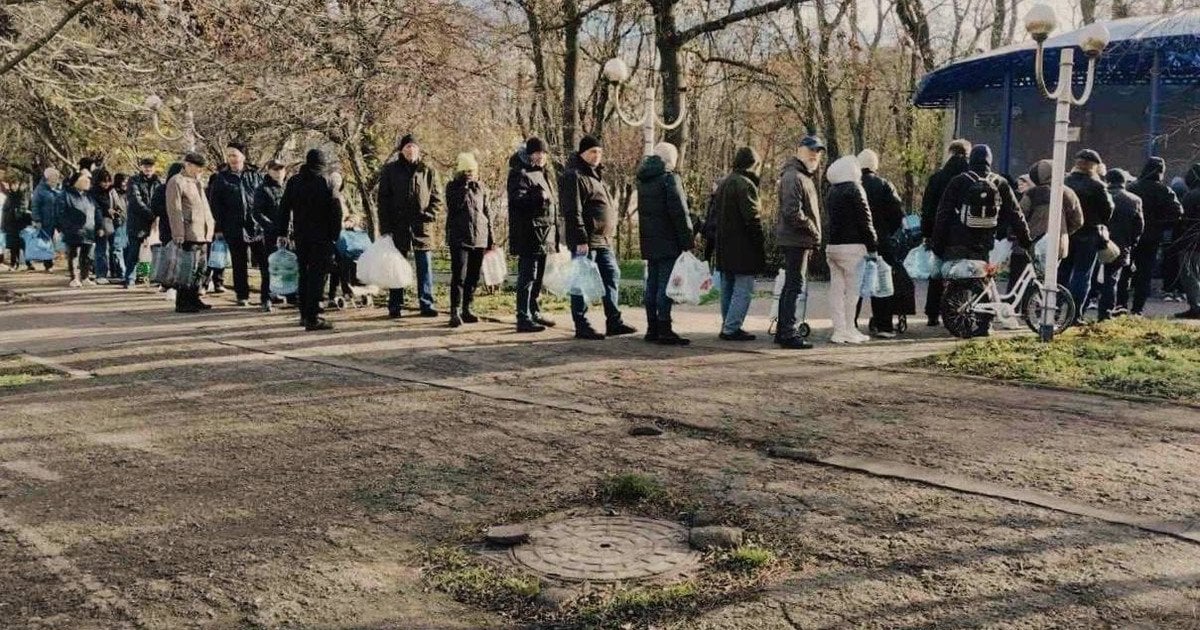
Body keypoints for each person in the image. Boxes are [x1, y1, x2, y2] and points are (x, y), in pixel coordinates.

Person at [930, 144, 1032, 337]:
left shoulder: (959, 181)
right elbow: (1015, 213)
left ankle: (954, 314)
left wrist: (937, 243)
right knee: (983, 279)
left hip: (958, 239)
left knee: (956, 277)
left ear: (971, 160)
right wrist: (1026, 240)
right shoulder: (1000, 182)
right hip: (985, 241)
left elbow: (943, 214)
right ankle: (984, 324)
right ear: (989, 161)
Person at [561, 135, 635, 340]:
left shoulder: (596, 175)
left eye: (600, 152)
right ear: (582, 153)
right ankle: (581, 323)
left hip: (603, 240)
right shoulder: (574, 176)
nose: (597, 155)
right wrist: (580, 238)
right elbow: (572, 210)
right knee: (582, 280)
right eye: (593, 151)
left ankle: (614, 321)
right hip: (586, 241)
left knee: (612, 274)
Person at [377, 134, 442, 318]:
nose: (411, 150)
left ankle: (426, 303)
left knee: (425, 265)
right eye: (407, 147)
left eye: (413, 146)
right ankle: (395, 304)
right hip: (398, 225)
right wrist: (386, 228)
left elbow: (437, 199)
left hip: (422, 226)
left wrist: (428, 215)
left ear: (418, 149)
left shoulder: (428, 170)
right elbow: (383, 201)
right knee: (397, 266)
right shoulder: (390, 170)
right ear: (401, 150)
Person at [279, 149, 343, 331]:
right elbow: (336, 210)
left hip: (301, 235)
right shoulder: (327, 181)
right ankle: (313, 317)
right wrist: (335, 235)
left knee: (303, 274)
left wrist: (282, 232)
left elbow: (284, 207)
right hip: (322, 236)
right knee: (317, 275)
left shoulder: (294, 181)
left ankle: (304, 314)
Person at [637, 142, 692, 346]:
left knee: (652, 284)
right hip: (668, 240)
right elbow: (680, 213)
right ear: (671, 160)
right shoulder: (669, 179)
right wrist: (687, 239)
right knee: (665, 285)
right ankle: (664, 328)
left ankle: (652, 327)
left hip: (650, 240)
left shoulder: (644, 179)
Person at [773, 135, 825, 349]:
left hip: (798, 238)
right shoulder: (794, 176)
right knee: (794, 286)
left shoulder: (801, 176)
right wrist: (812, 230)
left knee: (792, 285)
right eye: (811, 150)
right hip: (796, 239)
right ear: (800, 150)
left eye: (818, 151)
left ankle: (783, 330)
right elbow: (792, 212)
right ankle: (787, 332)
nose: (815, 155)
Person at [507, 137, 560, 334]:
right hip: (529, 234)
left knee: (538, 277)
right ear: (529, 154)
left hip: (545, 234)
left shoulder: (543, 173)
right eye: (537, 153)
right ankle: (523, 316)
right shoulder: (519, 173)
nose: (541, 156)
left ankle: (534, 310)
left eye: (544, 153)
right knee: (528, 276)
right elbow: (517, 200)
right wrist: (537, 197)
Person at [713, 147, 765, 342]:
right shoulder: (745, 184)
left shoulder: (725, 182)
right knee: (743, 287)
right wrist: (759, 244)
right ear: (753, 164)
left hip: (724, 243)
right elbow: (752, 219)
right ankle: (732, 327)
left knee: (728, 286)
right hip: (742, 245)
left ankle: (727, 324)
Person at [824, 155, 877, 344]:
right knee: (852, 292)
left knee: (836, 290)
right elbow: (865, 220)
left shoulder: (832, 191)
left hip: (833, 246)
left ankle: (839, 330)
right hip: (853, 247)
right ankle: (850, 328)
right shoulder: (856, 189)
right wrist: (873, 246)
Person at [858, 148, 909, 338]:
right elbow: (897, 213)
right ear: (875, 166)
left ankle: (850, 323)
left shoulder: (853, 185)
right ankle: (884, 325)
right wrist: (888, 231)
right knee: (882, 283)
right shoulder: (884, 185)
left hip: (857, 242)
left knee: (855, 285)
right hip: (881, 241)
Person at [1011, 159, 1083, 292]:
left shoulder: (1032, 193)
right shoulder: (1068, 193)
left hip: (1033, 243)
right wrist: (1063, 232)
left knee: (1022, 280)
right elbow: (1078, 221)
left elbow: (1020, 215)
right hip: (1058, 245)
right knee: (1050, 280)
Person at [920, 139, 971, 326]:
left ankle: (932, 313)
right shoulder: (972, 178)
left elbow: (927, 209)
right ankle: (958, 311)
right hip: (966, 234)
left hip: (940, 232)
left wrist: (927, 234)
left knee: (937, 273)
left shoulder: (937, 178)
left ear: (950, 153)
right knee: (964, 274)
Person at [1059, 149, 1114, 317]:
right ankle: (1075, 314)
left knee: (1063, 271)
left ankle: (1055, 309)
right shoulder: (1098, 186)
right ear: (1094, 166)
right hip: (1089, 234)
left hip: (1067, 232)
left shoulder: (1064, 181)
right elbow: (1108, 210)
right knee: (1082, 274)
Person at [207, 142, 264, 305]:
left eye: (235, 155)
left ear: (243, 157)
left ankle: (267, 294)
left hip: (255, 226)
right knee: (239, 263)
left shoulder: (255, 175)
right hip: (233, 226)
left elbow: (262, 199)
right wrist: (218, 228)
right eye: (229, 155)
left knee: (263, 262)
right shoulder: (221, 178)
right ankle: (242, 295)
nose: (232, 158)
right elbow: (215, 205)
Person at [1127, 157, 1184, 315]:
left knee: (1125, 270)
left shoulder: (1132, 187)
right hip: (1152, 237)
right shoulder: (1164, 190)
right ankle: (1138, 309)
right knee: (1145, 273)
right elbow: (1177, 212)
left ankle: (1120, 305)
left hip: (1131, 236)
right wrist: (1162, 225)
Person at [445, 152, 493, 328]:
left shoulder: (481, 188)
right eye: (466, 171)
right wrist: (464, 188)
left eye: (472, 171)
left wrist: (491, 237)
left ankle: (467, 307)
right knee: (459, 275)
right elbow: (454, 206)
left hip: (479, 237)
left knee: (473, 276)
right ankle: (455, 310)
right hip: (460, 237)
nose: (470, 174)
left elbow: (486, 212)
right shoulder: (452, 187)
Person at [166, 152, 216, 313]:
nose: (200, 171)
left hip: (202, 232)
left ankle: (194, 297)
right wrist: (178, 233)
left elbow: (204, 207)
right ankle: (183, 301)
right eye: (197, 167)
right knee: (187, 268)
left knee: (200, 268)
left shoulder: (197, 182)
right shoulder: (177, 181)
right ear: (188, 165)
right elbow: (175, 209)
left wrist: (210, 227)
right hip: (188, 232)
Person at [1097, 168, 1144, 320]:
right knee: (1112, 279)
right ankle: (1106, 312)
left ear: (1107, 180)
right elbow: (1139, 226)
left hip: (1097, 241)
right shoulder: (1134, 200)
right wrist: (1132, 242)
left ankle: (1078, 311)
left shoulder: (1100, 195)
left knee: (1088, 276)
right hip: (1121, 244)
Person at [251, 159, 287, 312]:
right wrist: (270, 226)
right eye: (275, 169)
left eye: (281, 169)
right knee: (269, 266)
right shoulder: (263, 189)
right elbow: (257, 212)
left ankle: (278, 292)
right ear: (269, 171)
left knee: (285, 265)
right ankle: (265, 297)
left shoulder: (287, 187)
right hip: (271, 234)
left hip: (287, 232)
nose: (278, 172)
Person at [124, 158, 160, 288]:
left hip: (153, 223)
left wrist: (157, 215)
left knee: (151, 252)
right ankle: (130, 278)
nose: (148, 169)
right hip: (137, 222)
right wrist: (151, 214)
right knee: (134, 251)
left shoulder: (158, 182)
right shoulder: (134, 180)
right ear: (141, 167)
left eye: (150, 166)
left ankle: (147, 276)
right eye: (145, 166)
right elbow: (135, 201)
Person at [59, 170, 97, 288]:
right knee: (74, 254)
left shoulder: (88, 196)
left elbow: (95, 211)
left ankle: (85, 277)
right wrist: (66, 227)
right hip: (73, 229)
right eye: (84, 180)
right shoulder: (66, 195)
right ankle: (74, 278)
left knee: (87, 255)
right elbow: (60, 213)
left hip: (88, 229)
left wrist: (98, 226)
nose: (87, 182)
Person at [1172, 164, 1200, 319]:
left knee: (1190, 275)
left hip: (1190, 242)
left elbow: (1182, 218)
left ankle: (1196, 307)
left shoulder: (1191, 195)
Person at [30, 167, 63, 273]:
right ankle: (48, 264)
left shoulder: (55, 190)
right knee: (46, 242)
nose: (56, 179)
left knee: (52, 241)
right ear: (48, 177)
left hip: (56, 220)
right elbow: (35, 206)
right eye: (55, 177)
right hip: (45, 220)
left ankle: (51, 261)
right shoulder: (40, 190)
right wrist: (37, 220)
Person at [89, 169, 118, 284]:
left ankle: (114, 272)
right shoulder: (94, 193)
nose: (106, 184)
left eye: (108, 181)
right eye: (104, 181)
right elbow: (96, 211)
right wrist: (100, 226)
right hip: (100, 224)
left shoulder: (111, 192)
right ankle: (100, 274)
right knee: (101, 249)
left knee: (114, 249)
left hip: (111, 223)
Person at [1, 180, 32, 271]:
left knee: (24, 244)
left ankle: (28, 263)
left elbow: (26, 208)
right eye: (12, 184)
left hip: (21, 223)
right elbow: (5, 211)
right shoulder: (9, 196)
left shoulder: (23, 195)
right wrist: (3, 225)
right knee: (13, 246)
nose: (14, 186)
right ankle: (14, 263)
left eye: (16, 184)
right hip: (11, 224)